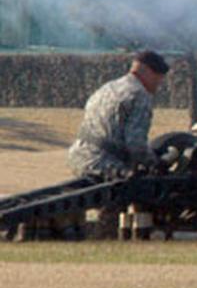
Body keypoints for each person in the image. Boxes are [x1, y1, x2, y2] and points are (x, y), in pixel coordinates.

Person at [67, 50, 170, 237]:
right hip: (105, 162)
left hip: (79, 155)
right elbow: (135, 144)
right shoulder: (139, 95)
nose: (158, 85)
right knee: (127, 190)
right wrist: (155, 163)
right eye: (158, 78)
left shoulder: (108, 87)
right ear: (146, 71)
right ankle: (108, 236)